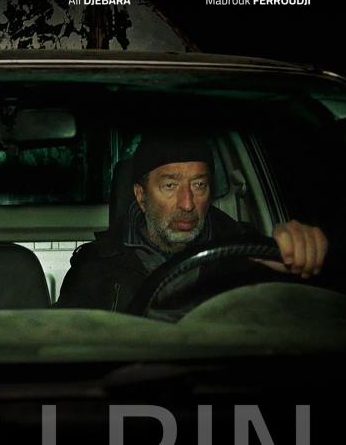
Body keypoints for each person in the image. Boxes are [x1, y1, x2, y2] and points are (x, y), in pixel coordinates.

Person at [56, 129, 328, 312]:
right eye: (170, 186)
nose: (187, 204)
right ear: (141, 196)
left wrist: (298, 258)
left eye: (199, 185)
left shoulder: (247, 253)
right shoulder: (96, 264)